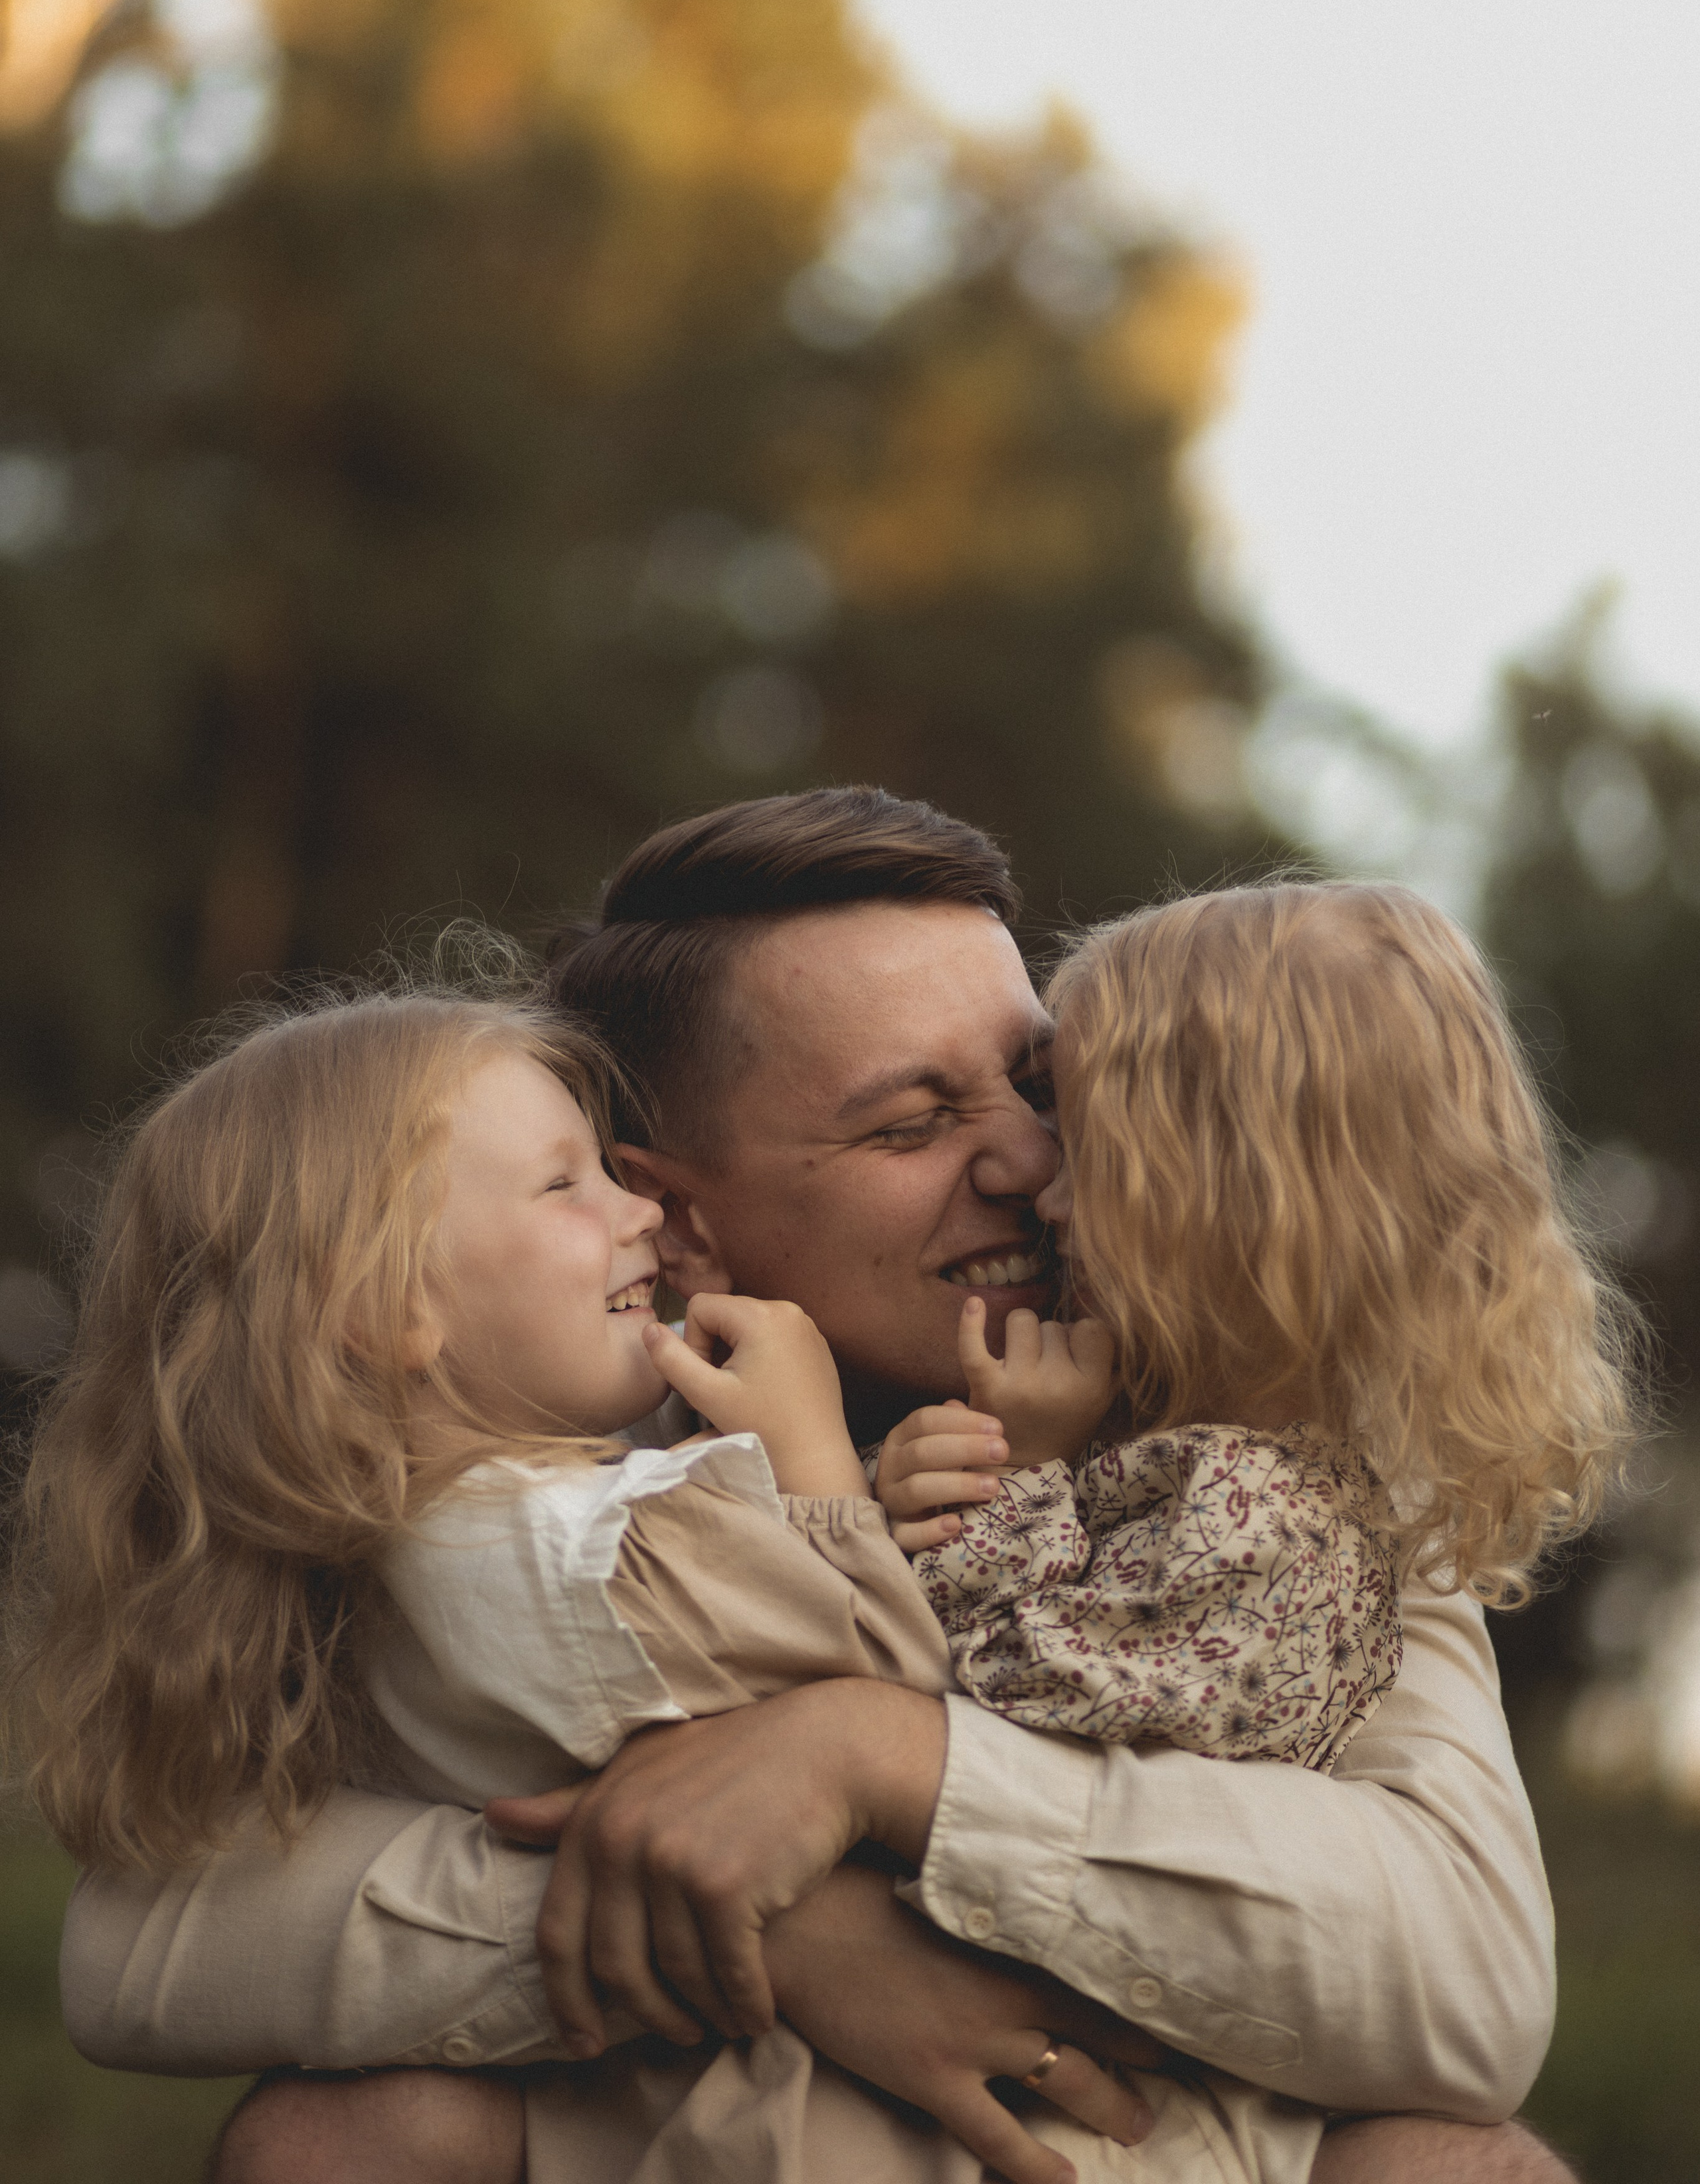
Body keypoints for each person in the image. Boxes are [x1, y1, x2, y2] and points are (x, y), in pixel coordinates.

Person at [54, 792, 1582, 2181]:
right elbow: (144, 1945)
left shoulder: (1243, 1453)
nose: (1022, 1167)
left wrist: (879, 1760)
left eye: (1038, 1088)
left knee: (1470, 2164)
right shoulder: (552, 1468)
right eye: (911, 1123)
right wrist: (787, 1939)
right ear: (668, 1210)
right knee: (326, 2140)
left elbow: (1468, 1996)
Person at [876, 882, 1634, 1776]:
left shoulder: (1261, 1526)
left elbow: (1004, 1716)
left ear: (1234, 1207)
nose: (1049, 1197)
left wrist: (1020, 1476)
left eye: (1091, 1156)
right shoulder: (1205, 1457)